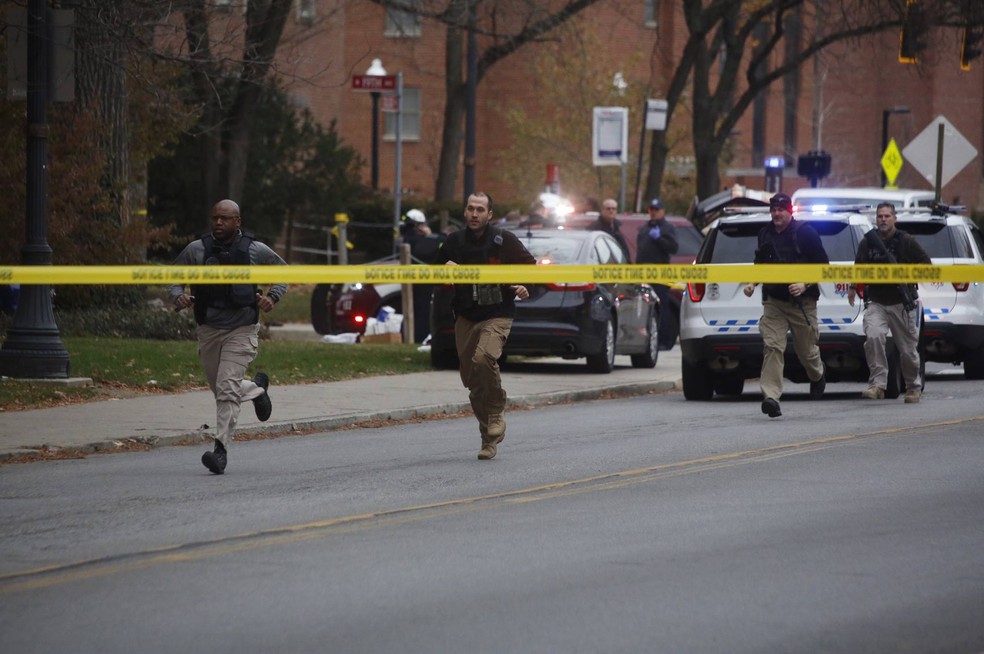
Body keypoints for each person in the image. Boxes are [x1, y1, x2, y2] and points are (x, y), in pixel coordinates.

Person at [169, 199, 288, 474]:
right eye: (215, 218)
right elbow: (173, 277)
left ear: (238, 221)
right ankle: (257, 390)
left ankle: (220, 451)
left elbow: (283, 271)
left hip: (242, 329)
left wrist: (273, 296)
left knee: (225, 389)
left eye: (225, 218)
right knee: (221, 388)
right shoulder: (197, 249)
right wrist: (178, 296)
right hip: (209, 330)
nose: (219, 222)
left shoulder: (254, 249)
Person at [433, 192, 536, 460]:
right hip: (466, 315)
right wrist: (444, 270)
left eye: (480, 209)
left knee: (484, 358)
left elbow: (531, 267)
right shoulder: (454, 242)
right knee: (473, 381)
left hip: (498, 313)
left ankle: (496, 412)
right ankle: (488, 437)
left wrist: (525, 285)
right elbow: (432, 274)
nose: (474, 214)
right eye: (470, 209)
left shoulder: (505, 240)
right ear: (465, 212)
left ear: (489, 214)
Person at [742, 193, 828, 418]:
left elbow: (824, 266)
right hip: (774, 302)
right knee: (772, 346)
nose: (776, 213)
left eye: (781, 209)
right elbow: (760, 264)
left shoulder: (805, 232)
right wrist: (751, 283)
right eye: (773, 209)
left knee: (806, 350)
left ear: (790, 211)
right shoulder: (765, 233)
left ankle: (817, 375)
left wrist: (804, 284)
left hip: (802, 303)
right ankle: (771, 397)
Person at [848, 202, 931, 403]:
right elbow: (858, 267)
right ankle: (877, 385)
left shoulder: (906, 241)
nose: (883, 219)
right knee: (874, 337)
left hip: (902, 302)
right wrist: (853, 287)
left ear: (894, 219)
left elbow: (925, 264)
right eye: (880, 216)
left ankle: (912, 387)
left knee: (908, 349)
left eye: (887, 216)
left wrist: (908, 276)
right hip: (876, 301)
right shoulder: (868, 242)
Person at [636, 198, 679, 350]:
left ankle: (663, 341)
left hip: (660, 275)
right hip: (643, 275)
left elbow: (673, 248)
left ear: (662, 211)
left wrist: (660, 239)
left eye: (656, 210)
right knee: (645, 308)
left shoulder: (667, 228)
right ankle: (647, 340)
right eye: (651, 210)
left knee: (662, 307)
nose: (653, 212)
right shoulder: (645, 228)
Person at [400, 208, 446, 342]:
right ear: (418, 226)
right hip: (422, 284)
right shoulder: (418, 241)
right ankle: (419, 337)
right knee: (422, 312)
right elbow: (440, 242)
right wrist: (430, 235)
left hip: (414, 283)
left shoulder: (406, 238)